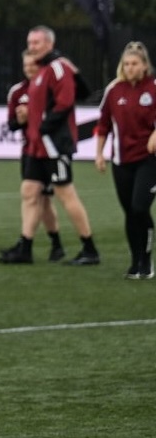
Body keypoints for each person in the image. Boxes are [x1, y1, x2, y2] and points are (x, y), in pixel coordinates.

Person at [7, 25, 101, 266]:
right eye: (30, 42)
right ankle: (25, 247)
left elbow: (66, 102)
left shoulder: (58, 67)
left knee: (65, 193)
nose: (32, 46)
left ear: (49, 44)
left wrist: (45, 128)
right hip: (37, 146)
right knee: (29, 191)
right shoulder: (43, 70)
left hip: (54, 144)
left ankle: (89, 248)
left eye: (36, 42)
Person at [93, 42, 156, 279]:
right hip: (121, 160)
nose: (130, 68)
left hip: (149, 160)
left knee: (141, 207)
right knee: (130, 212)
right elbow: (103, 125)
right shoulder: (114, 90)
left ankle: (147, 262)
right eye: (126, 64)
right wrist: (99, 154)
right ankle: (135, 260)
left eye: (135, 64)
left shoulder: (153, 88)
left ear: (144, 65)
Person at [2, 54, 66, 262]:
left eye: (33, 64)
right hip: (29, 151)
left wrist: (35, 115)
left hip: (49, 150)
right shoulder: (17, 91)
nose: (29, 68)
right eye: (26, 65)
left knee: (43, 198)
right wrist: (21, 120)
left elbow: (60, 113)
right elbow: (11, 125)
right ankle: (41, 244)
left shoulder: (50, 89)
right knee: (35, 197)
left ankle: (41, 244)